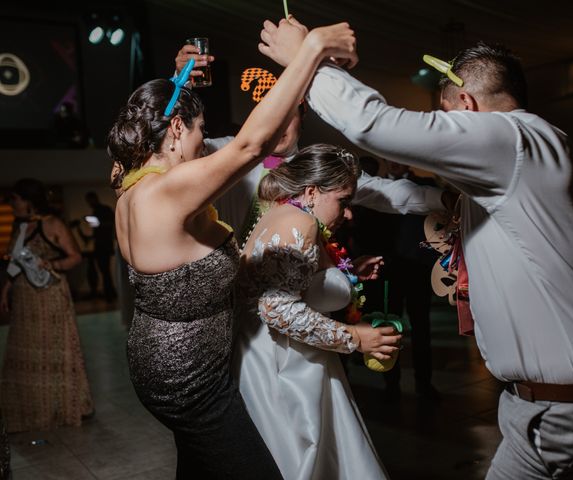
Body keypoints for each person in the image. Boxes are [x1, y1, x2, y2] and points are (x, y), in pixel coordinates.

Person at [259, 20, 573, 480]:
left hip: (564, 413)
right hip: (557, 406)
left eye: (446, 116)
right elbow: (401, 195)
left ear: (466, 104)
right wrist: (340, 188)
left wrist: (308, 55)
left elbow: (372, 124)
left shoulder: (511, 139)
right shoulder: (528, 158)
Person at [109, 21, 358, 479]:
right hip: (187, 378)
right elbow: (250, 144)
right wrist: (311, 50)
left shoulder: (131, 184)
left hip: (167, 362)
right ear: (178, 127)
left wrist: (178, 81)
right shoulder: (165, 191)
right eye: (201, 129)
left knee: (200, 468)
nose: (205, 141)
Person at [234, 144, 400, 480]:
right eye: (343, 200)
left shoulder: (282, 213)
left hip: (278, 354)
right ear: (311, 192)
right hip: (286, 365)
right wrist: (355, 338)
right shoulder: (300, 223)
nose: (349, 213)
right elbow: (279, 309)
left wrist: (348, 270)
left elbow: (294, 282)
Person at [174, 45, 454, 242]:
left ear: (303, 116)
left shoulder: (316, 167)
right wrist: (179, 83)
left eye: (288, 117)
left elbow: (385, 192)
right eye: (272, 117)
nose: (279, 126)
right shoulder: (227, 151)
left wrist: (441, 199)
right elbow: (174, 145)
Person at [0, 178, 94, 432]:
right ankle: (29, 409)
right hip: (24, 298)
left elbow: (75, 257)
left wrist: (52, 265)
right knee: (26, 351)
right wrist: (6, 290)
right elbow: (14, 264)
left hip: (50, 296)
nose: (12, 205)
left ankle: (59, 406)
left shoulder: (53, 224)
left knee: (54, 349)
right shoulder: (19, 227)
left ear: (29, 201)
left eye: (16, 200)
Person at [354, 160, 440, 403]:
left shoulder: (425, 185)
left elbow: (435, 229)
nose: (394, 162)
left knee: (422, 329)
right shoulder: (373, 189)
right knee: (387, 326)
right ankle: (390, 384)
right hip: (386, 272)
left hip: (417, 270)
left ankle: (425, 384)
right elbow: (363, 228)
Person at [77, 191, 117, 302]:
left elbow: (110, 223)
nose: (89, 203)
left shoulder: (103, 210)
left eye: (89, 200)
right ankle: (110, 293)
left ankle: (110, 294)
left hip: (103, 245)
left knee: (104, 271)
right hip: (102, 244)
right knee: (104, 271)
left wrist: (97, 223)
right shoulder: (98, 211)